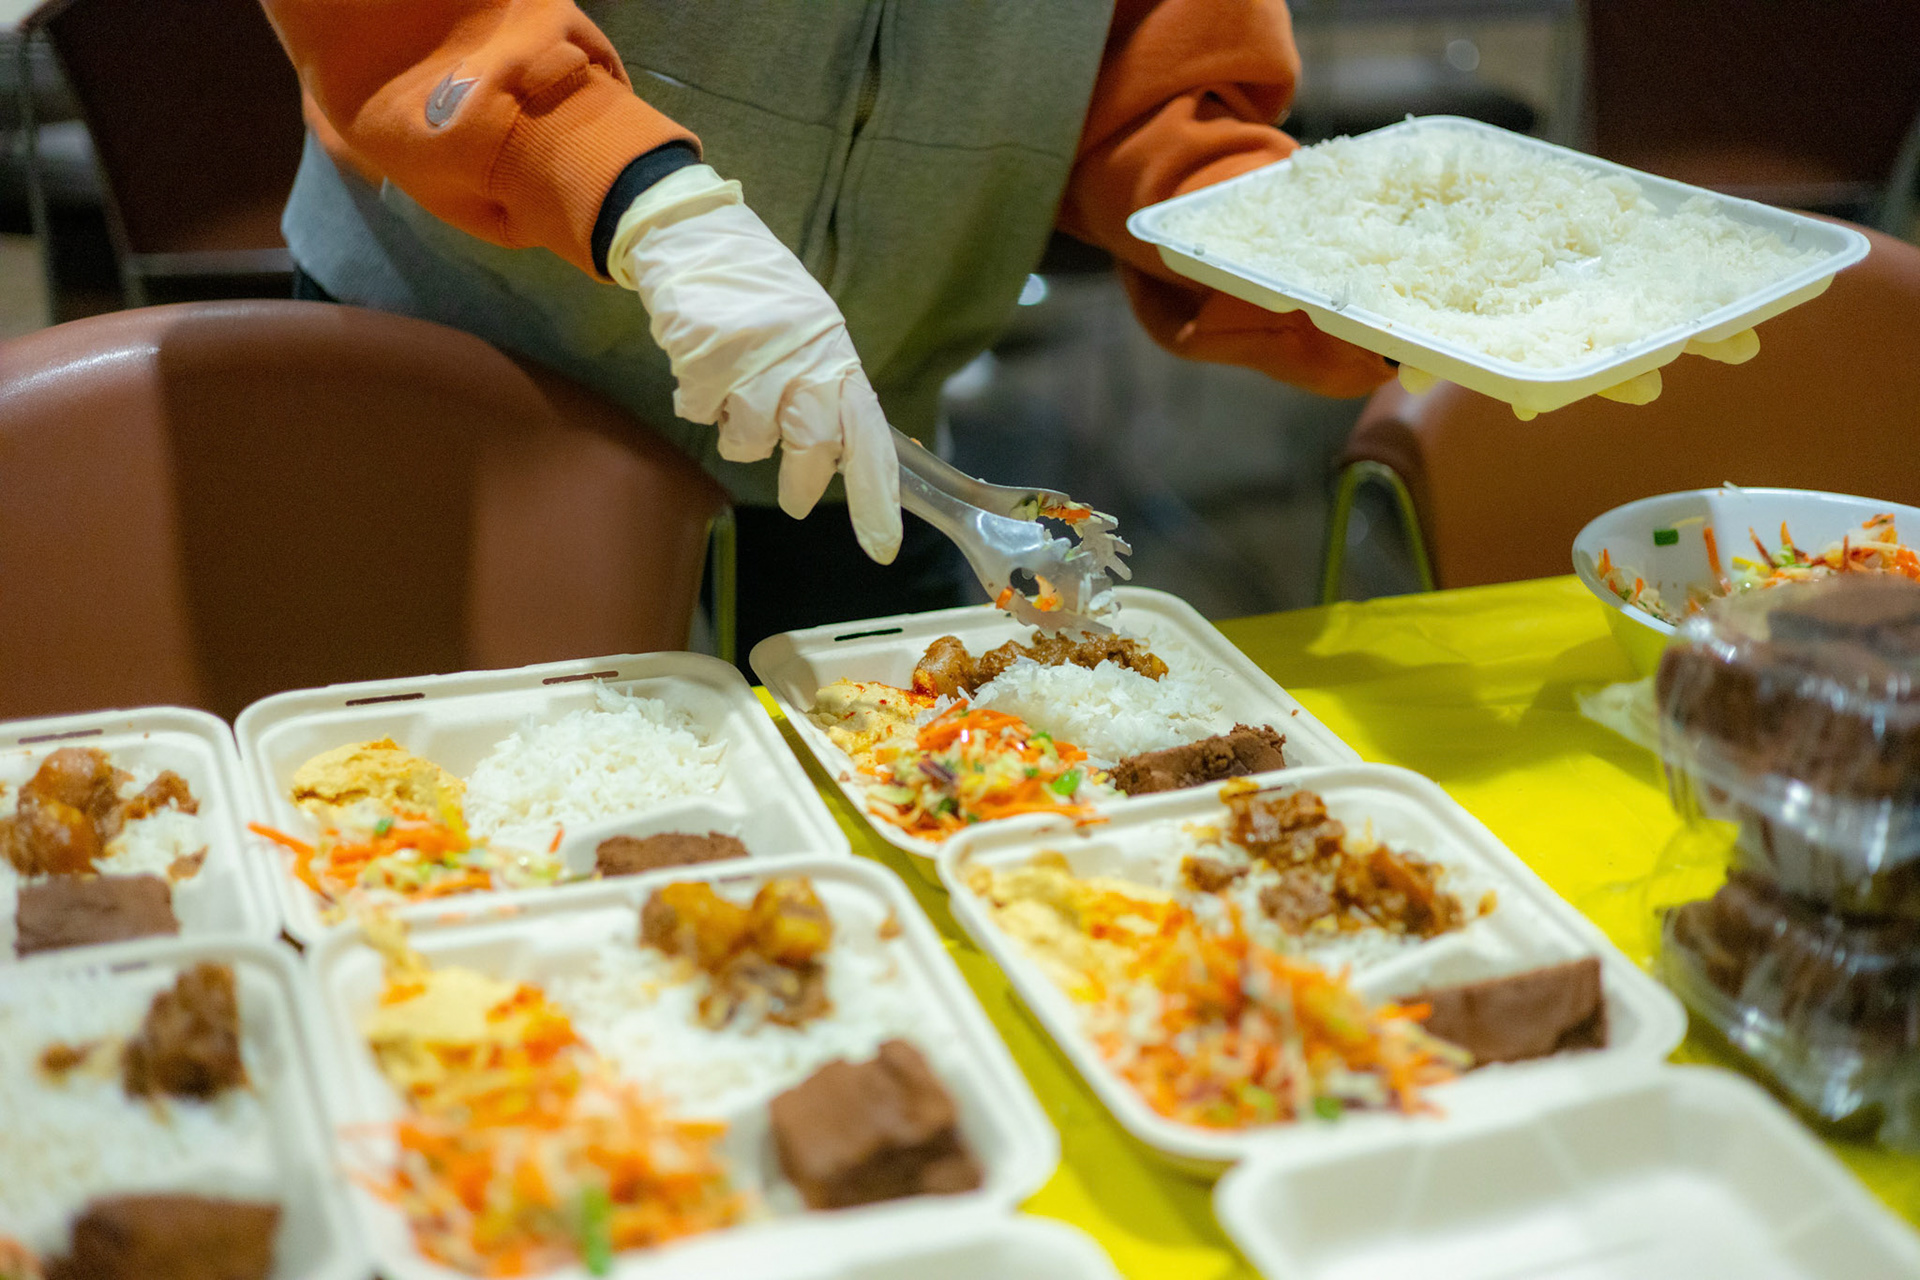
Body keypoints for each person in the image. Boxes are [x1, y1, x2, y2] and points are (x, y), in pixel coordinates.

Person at [259, 0, 1393, 657]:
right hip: (472, 349)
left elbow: (1144, 64)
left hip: (865, 408)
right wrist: (621, 184)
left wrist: (1280, 233)